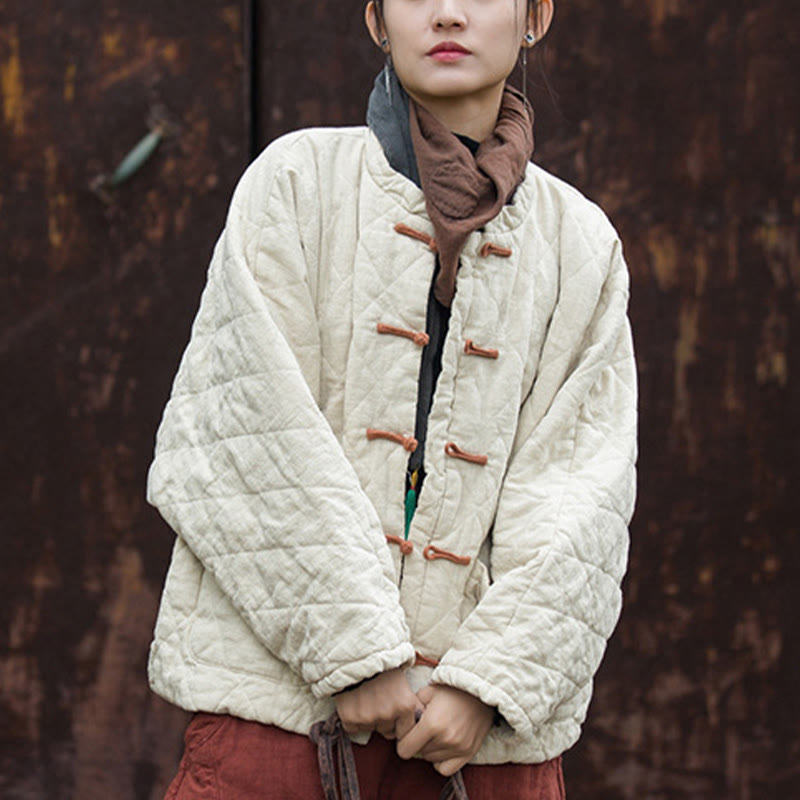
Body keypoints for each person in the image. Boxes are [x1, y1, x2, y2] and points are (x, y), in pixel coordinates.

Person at [146, 0, 637, 797]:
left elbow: (582, 492)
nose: (446, 13)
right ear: (377, 18)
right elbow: (240, 435)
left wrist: (486, 684)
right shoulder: (297, 182)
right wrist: (356, 653)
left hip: (478, 749)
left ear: (535, 13)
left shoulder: (581, 243)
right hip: (281, 723)